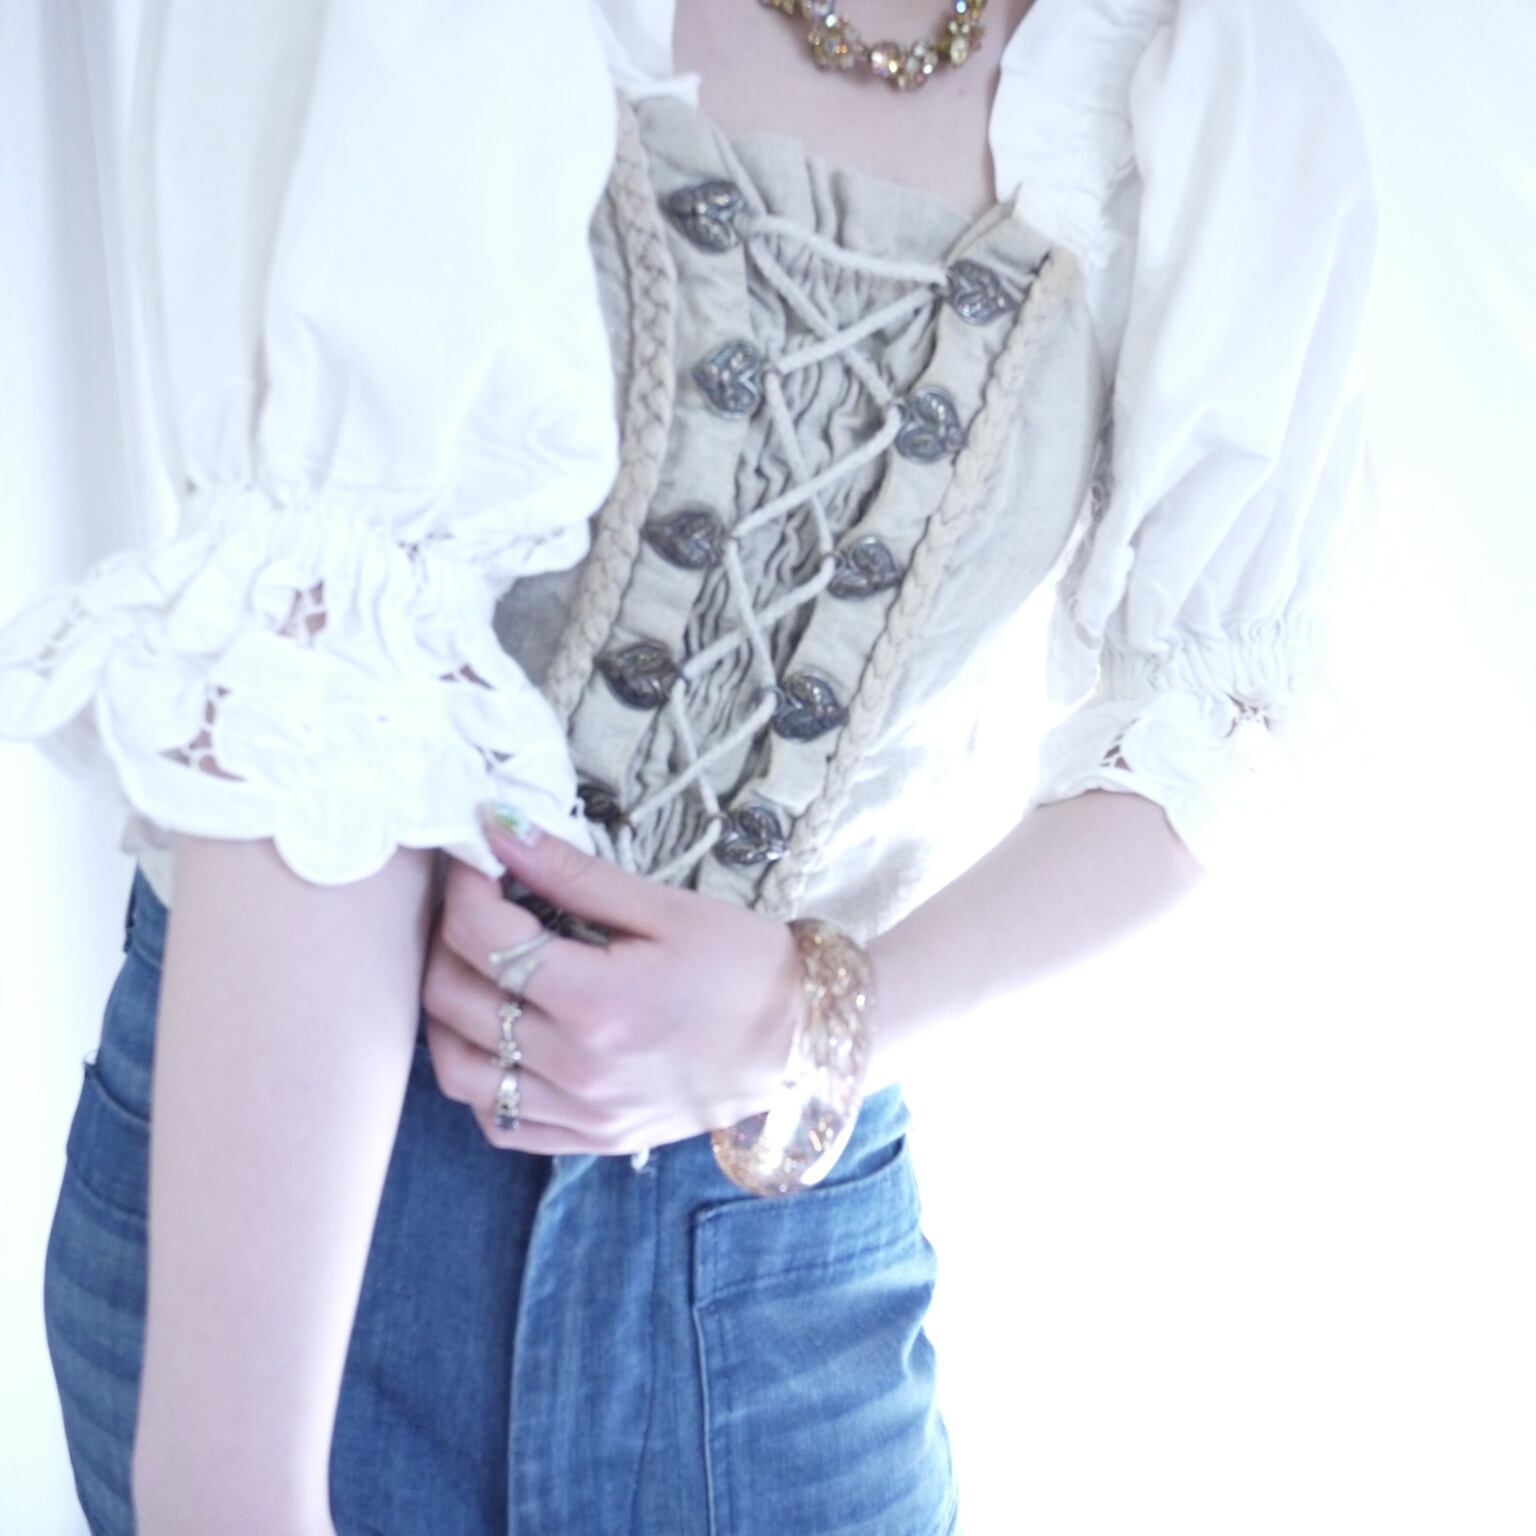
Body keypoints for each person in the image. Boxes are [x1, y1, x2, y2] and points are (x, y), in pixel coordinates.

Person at [0, 0, 1378, 1531]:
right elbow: (312, 659)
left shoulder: (1209, 82)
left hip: (778, 1240)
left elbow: (1212, 724)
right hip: (307, 1215)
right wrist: (235, 1486)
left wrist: (811, 1020)